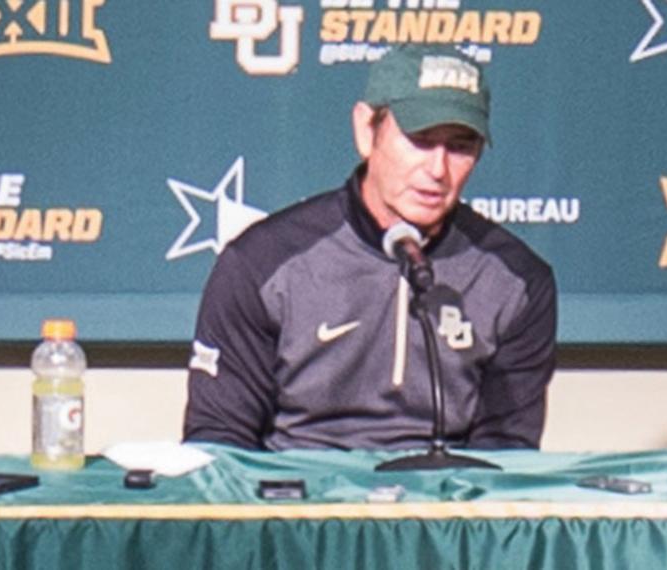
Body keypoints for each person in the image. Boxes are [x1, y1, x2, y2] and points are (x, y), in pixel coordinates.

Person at [183, 44, 557, 451]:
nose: (437, 170)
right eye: (420, 139)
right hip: (297, 503)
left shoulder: (518, 281)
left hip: (442, 505)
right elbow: (219, 443)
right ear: (366, 130)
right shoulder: (261, 263)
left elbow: (505, 456)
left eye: (460, 147)